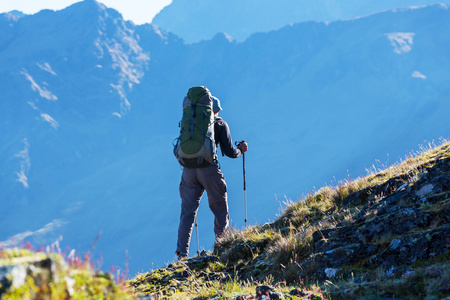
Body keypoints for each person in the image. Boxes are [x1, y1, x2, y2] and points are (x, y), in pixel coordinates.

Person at [176, 95, 248, 260]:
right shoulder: (220, 124)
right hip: (208, 170)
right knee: (220, 208)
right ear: (215, 109)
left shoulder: (191, 124)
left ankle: (181, 254)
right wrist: (241, 150)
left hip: (188, 171)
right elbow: (230, 152)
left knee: (187, 212)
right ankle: (221, 245)